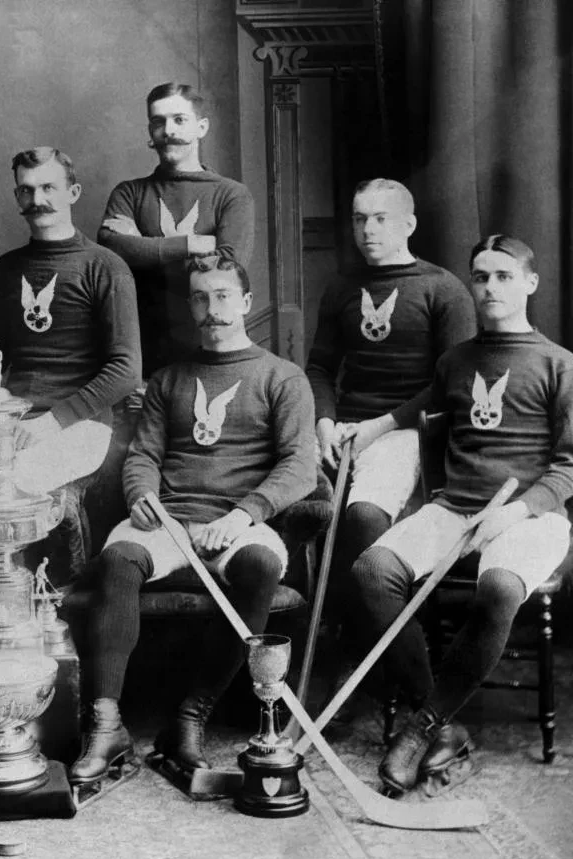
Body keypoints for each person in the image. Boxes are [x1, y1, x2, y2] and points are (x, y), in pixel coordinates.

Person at [70, 257, 315, 788]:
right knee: (119, 558)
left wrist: (243, 515)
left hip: (238, 520)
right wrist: (141, 496)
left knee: (260, 565)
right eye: (201, 298)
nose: (212, 310)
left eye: (224, 296)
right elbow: (143, 455)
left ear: (246, 303)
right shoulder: (169, 378)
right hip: (168, 519)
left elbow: (300, 467)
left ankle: (190, 716)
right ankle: (106, 724)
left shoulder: (282, 377)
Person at [351, 235, 572, 797]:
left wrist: (519, 510)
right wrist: (369, 429)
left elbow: (570, 468)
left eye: (503, 276)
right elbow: (419, 407)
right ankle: (445, 727)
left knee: (498, 587)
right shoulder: (457, 360)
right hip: (454, 507)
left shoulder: (559, 365)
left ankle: (422, 727)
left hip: (529, 514)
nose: (490, 287)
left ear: (530, 283)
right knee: (371, 570)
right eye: (480, 276)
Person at [308, 179, 476, 579]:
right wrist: (325, 424)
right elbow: (319, 368)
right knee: (290, 496)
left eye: (381, 219)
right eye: (360, 219)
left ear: (409, 225)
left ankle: (367, 624)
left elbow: (453, 385)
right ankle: (307, 621)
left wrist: (379, 426)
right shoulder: (340, 287)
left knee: (364, 515)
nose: (368, 230)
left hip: (406, 430)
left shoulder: (443, 290)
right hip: (342, 426)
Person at [0, 147, 140, 497]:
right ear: (17, 197)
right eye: (26, 190)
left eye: (48, 188)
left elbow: (127, 370)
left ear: (73, 192)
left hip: (80, 426)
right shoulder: (7, 269)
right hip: (13, 423)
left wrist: (51, 423)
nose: (36, 199)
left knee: (2, 494)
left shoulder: (105, 266)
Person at [98, 83, 254, 375]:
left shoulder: (231, 195)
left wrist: (142, 251)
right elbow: (111, 248)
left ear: (202, 127)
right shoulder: (129, 193)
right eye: (158, 122)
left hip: (210, 349)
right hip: (139, 349)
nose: (168, 130)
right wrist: (193, 244)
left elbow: (227, 271)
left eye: (179, 119)